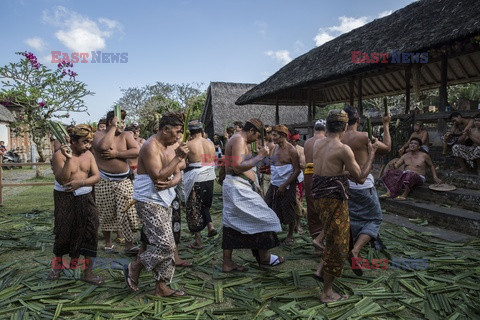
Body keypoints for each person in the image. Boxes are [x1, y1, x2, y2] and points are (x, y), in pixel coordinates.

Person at [311, 110, 378, 303]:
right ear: (344, 127)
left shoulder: (317, 142)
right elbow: (361, 177)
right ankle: (327, 292)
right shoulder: (343, 149)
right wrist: (371, 154)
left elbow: (327, 171)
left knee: (333, 236)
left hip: (319, 197)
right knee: (338, 244)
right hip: (333, 200)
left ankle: (321, 271)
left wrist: (341, 175)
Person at [126, 113, 189, 297]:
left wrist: (172, 183)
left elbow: (177, 173)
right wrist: (177, 158)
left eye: (180, 133)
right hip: (148, 200)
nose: (179, 137)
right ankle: (135, 266)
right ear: (165, 129)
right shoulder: (149, 146)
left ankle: (161, 287)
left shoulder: (172, 145)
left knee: (168, 242)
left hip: (166, 197)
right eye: (176, 132)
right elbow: (158, 176)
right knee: (167, 245)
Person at [222, 119, 284, 272]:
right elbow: (236, 167)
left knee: (232, 222)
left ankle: (228, 263)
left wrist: (255, 182)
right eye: (256, 136)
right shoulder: (238, 140)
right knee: (265, 216)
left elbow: (238, 163)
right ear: (251, 131)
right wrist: (260, 156)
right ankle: (264, 258)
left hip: (239, 185)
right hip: (236, 186)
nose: (256, 140)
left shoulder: (240, 140)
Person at [49, 125, 103, 284]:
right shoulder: (59, 155)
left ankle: (88, 273)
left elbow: (97, 176)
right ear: (72, 141)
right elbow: (63, 180)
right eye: (85, 141)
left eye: (90, 142)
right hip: (65, 198)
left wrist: (81, 182)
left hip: (86, 196)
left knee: (91, 231)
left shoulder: (89, 155)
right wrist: (69, 159)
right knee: (63, 231)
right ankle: (56, 268)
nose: (88, 145)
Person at [341, 106, 391, 274]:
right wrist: (386, 125)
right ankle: (355, 250)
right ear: (359, 120)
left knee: (353, 217)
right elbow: (387, 148)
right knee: (375, 219)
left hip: (346, 184)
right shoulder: (364, 137)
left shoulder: (338, 138)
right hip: (363, 185)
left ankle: (348, 246)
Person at [92, 109, 141, 254]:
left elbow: (136, 151)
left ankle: (129, 244)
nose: (122, 124)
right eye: (119, 122)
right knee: (106, 212)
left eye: (123, 122)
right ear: (109, 122)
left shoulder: (126, 135)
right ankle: (108, 243)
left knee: (126, 211)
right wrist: (113, 128)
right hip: (104, 180)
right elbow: (102, 147)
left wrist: (117, 154)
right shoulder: (98, 135)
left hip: (124, 179)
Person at [184, 120, 217, 249]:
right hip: (209, 175)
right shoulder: (210, 143)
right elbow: (210, 160)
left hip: (196, 177)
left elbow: (183, 163)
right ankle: (210, 226)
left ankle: (198, 240)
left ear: (190, 132)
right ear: (201, 130)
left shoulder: (188, 144)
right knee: (204, 204)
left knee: (194, 207)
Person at [265, 124, 300, 246]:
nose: (272, 137)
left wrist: (284, 185)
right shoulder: (274, 148)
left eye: (275, 135)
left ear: (283, 136)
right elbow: (273, 164)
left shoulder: (292, 150)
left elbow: (297, 171)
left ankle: (290, 234)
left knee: (288, 208)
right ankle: (272, 231)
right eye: (272, 135)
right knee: (268, 205)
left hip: (287, 185)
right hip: (274, 183)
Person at [303, 119, 326, 253]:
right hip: (320, 176)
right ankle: (321, 241)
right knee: (324, 208)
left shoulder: (307, 142)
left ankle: (316, 240)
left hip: (308, 176)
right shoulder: (326, 142)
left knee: (312, 209)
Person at [288, 129, 306, 235]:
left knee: (298, 203)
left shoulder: (300, 150)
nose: (291, 144)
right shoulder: (284, 149)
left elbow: (303, 165)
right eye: (290, 142)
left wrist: (295, 160)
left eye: (293, 142)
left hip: (297, 179)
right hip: (285, 179)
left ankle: (297, 225)